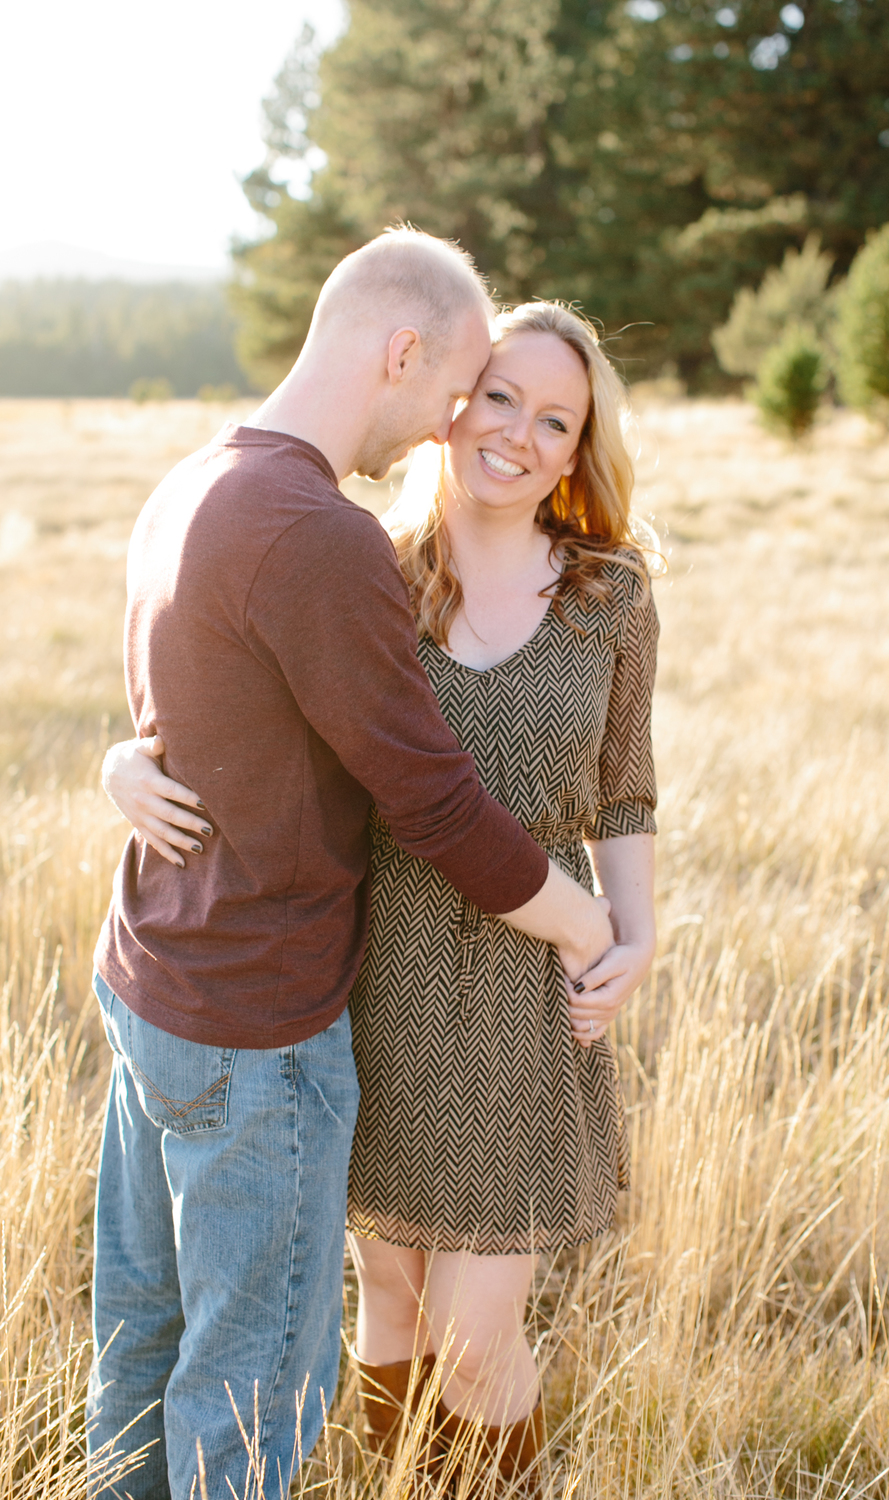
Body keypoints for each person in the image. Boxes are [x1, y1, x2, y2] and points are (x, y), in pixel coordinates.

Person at [89, 231, 615, 1500]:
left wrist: (123, 761)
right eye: (458, 392)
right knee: (255, 1393)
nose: (451, 427)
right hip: (256, 1030)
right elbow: (433, 804)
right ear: (400, 354)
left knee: (143, 1353)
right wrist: (580, 921)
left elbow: (189, 707)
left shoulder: (195, 481)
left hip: (154, 988)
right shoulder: (320, 534)